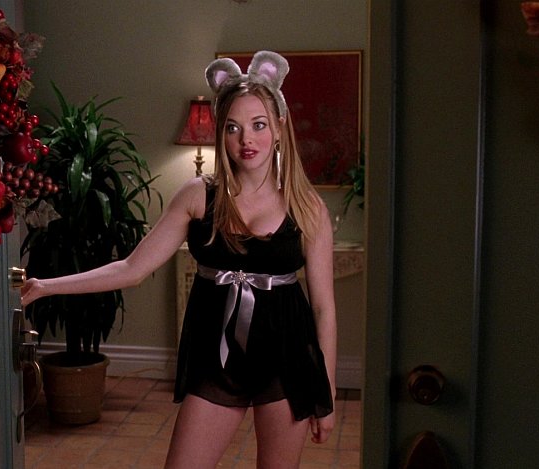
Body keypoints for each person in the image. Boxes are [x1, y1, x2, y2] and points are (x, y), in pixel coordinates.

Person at [21, 50, 336, 468]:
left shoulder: (307, 207)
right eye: (233, 127)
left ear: (279, 127)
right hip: (216, 360)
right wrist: (45, 286)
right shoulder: (197, 196)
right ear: (220, 133)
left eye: (259, 125)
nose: (246, 140)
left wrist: (327, 394)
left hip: (289, 359)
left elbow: (323, 308)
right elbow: (132, 269)